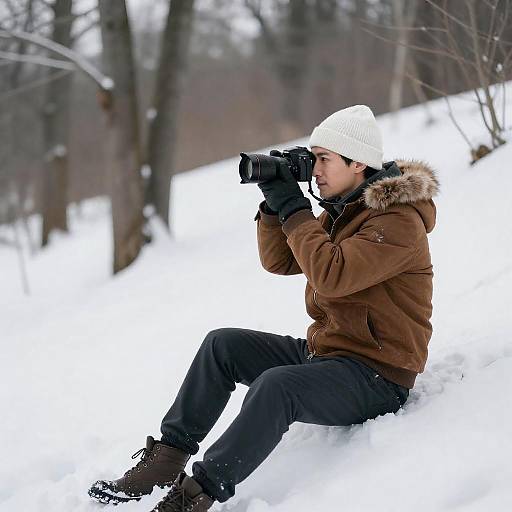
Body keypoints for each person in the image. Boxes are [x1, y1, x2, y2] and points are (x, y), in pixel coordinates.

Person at [88, 105, 439, 511]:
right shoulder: (345, 209)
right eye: (313, 157)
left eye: (323, 158)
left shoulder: (396, 221)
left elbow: (331, 274)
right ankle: (167, 460)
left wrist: (295, 208)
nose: (315, 169)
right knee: (223, 346)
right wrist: (275, 208)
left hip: (376, 376)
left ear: (357, 161)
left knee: (277, 386)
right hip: (328, 355)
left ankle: (196, 494)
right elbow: (283, 261)